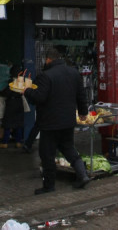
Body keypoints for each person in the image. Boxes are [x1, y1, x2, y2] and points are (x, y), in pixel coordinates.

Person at [20, 46, 90, 194]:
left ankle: (49, 186)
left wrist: (27, 91)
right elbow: (81, 95)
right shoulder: (74, 73)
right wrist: (83, 112)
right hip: (68, 121)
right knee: (68, 148)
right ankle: (82, 175)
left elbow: (40, 97)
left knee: (47, 154)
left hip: (50, 123)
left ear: (48, 60)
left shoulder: (46, 76)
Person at [0, 67, 25, 148]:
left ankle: (5, 142)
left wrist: (0, 92)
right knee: (18, 123)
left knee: (8, 123)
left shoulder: (12, 82)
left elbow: (6, 93)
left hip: (11, 103)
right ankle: (18, 142)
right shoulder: (22, 82)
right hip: (19, 103)